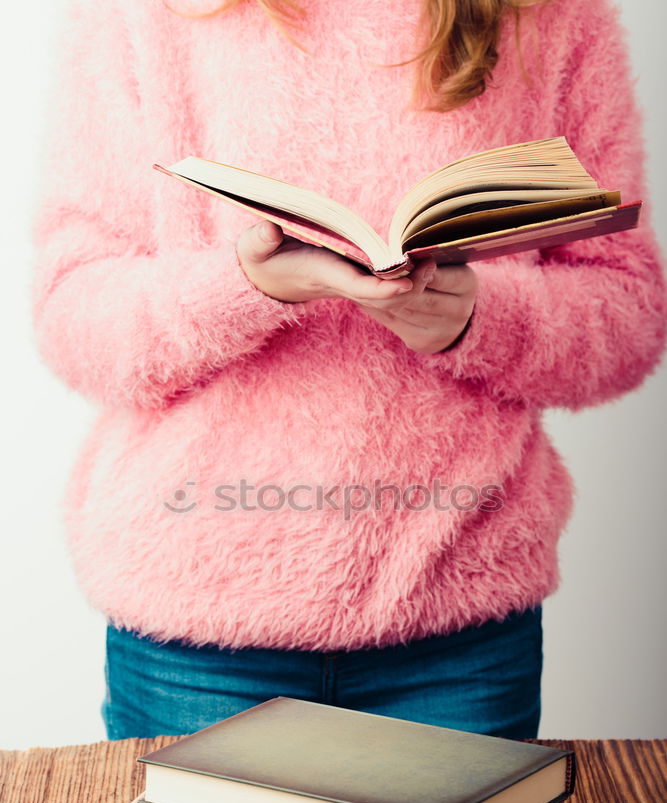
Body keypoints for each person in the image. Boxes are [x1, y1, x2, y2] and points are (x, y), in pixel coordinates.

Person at [31, 0, 666, 741]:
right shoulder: (140, 14)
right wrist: (245, 288)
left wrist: (477, 319)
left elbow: (626, 312)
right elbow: (73, 314)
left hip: (459, 630)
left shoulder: (554, 13)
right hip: (194, 635)